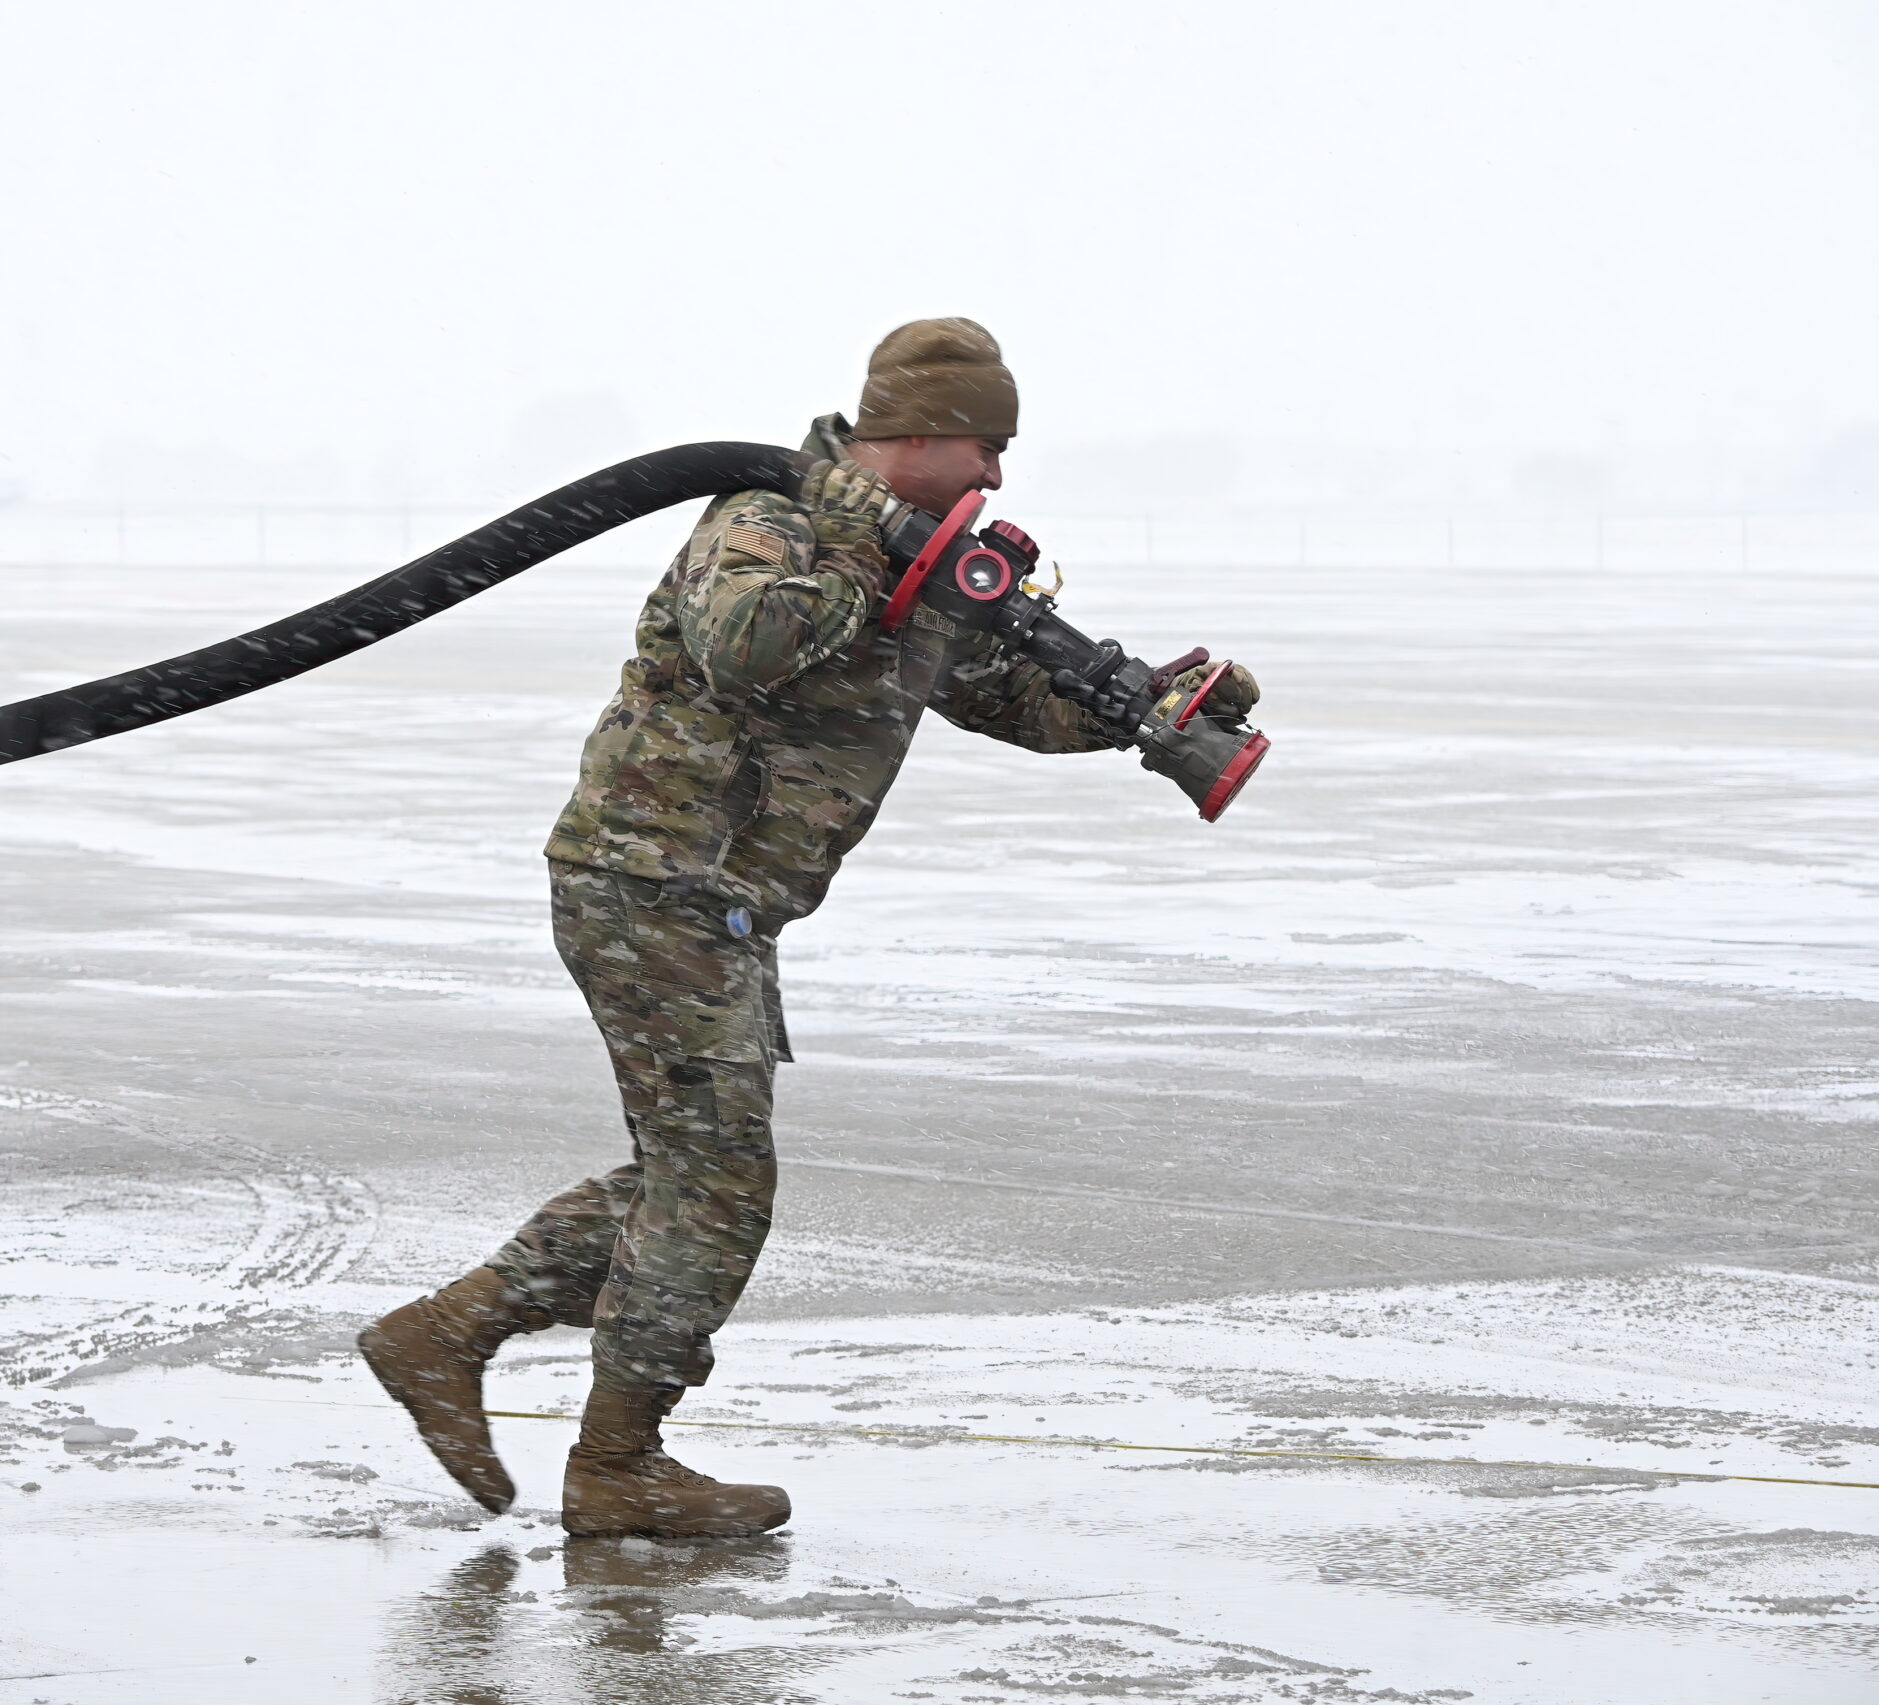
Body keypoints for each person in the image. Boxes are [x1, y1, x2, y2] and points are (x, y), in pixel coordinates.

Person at [361, 318, 1258, 1538]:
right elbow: (744, 644)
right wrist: (880, 565)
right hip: (651, 879)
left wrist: (1145, 707)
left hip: (711, 898)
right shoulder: (768, 518)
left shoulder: (928, 561)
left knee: (684, 1175)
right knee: (716, 1182)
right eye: (986, 447)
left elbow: (1009, 700)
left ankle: (447, 1334)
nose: (997, 475)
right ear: (924, 432)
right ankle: (614, 1465)